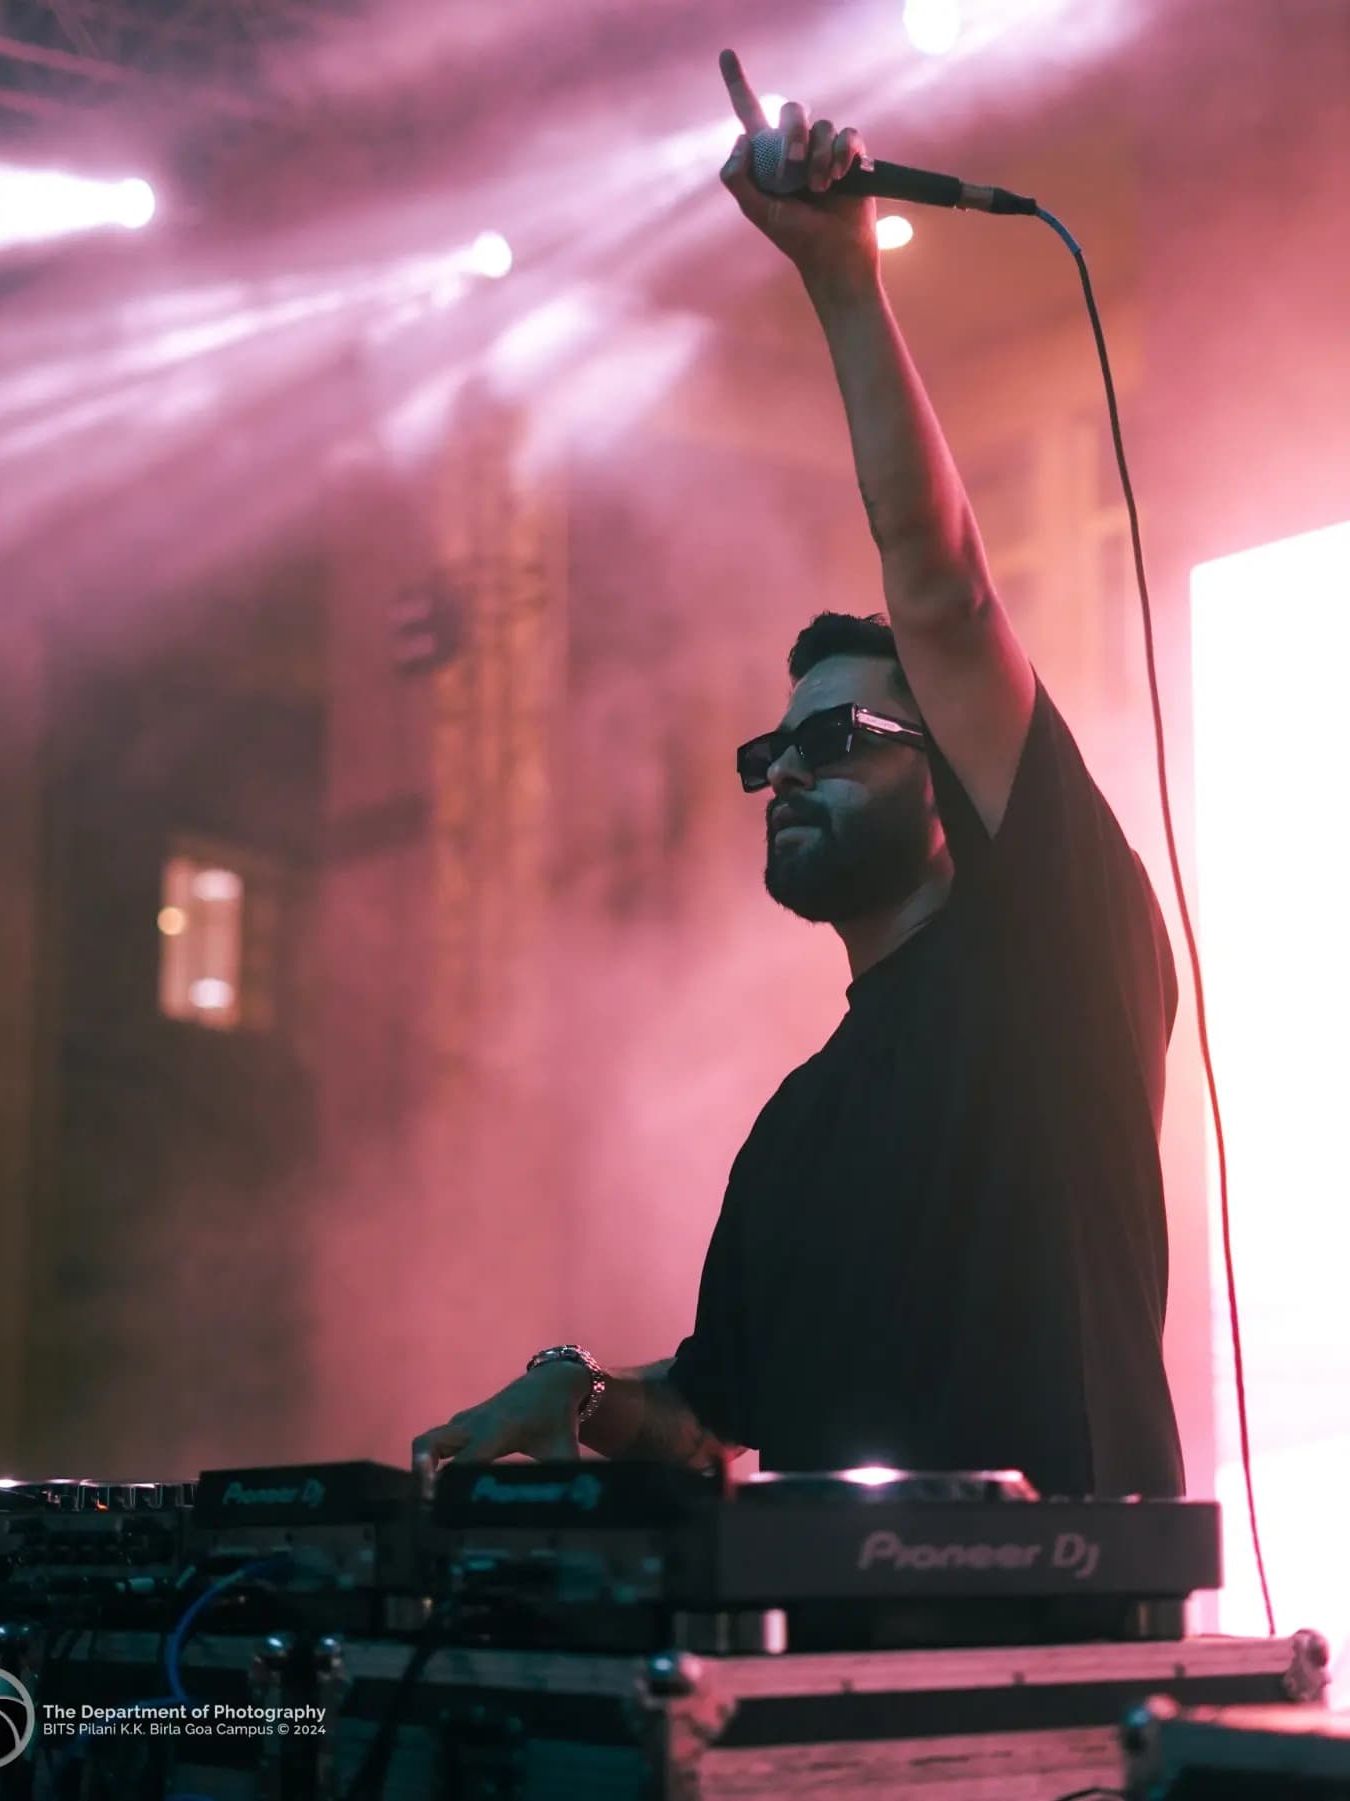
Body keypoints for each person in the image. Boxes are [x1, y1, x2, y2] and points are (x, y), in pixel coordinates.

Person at [411, 52, 1184, 1499]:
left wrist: (840, 279)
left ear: (951, 787)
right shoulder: (794, 1129)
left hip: (1063, 1673)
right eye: (774, 752)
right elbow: (714, 1425)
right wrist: (580, 1397)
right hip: (832, 1692)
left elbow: (942, 592)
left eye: (837, 742)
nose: (785, 773)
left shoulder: (1061, 957)